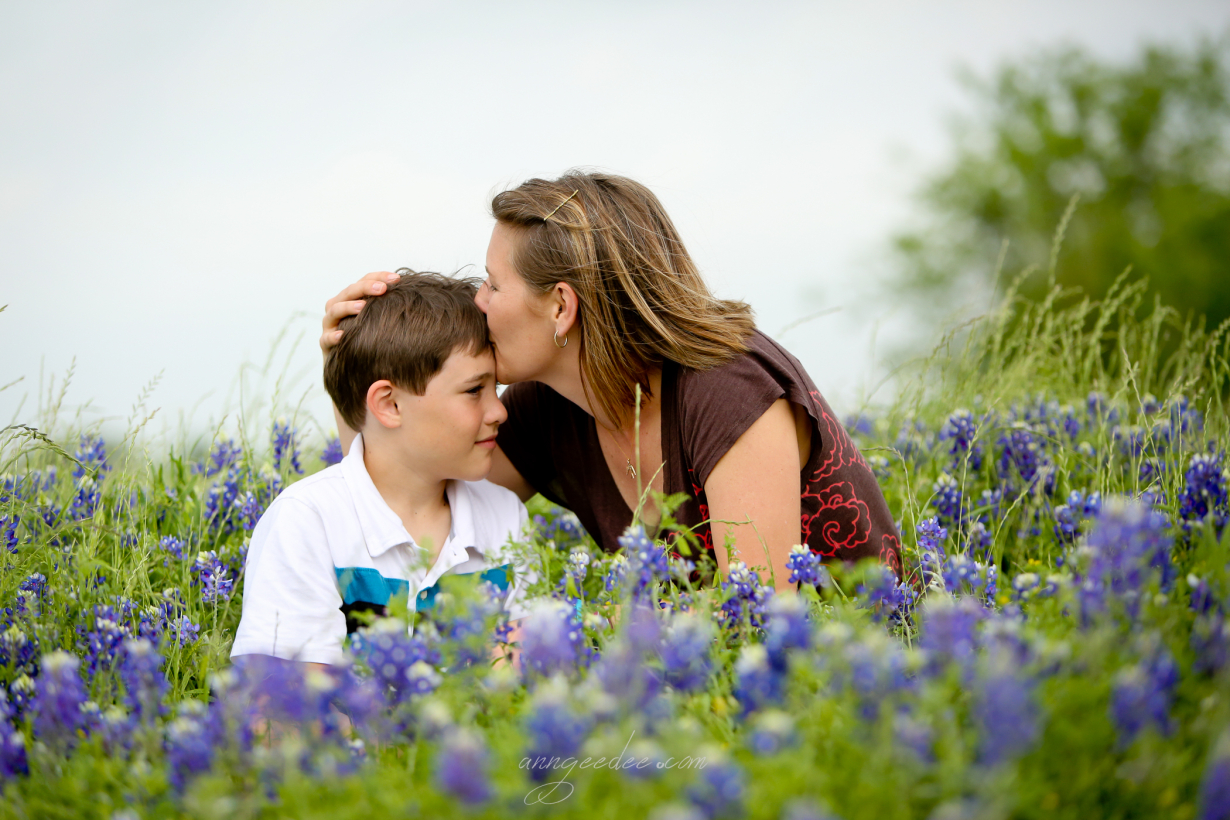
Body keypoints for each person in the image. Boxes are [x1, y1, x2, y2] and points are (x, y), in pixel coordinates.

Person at [322, 172, 901, 594]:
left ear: (560, 308)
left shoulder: (729, 389)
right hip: (698, 705)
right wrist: (356, 377)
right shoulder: (545, 410)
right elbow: (400, 493)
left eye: (493, 286)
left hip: (865, 685)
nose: (478, 304)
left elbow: (758, 621)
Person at [232, 271, 531, 667]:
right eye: (475, 390)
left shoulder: (506, 515)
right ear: (389, 405)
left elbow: (533, 674)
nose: (499, 410)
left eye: (495, 389)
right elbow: (283, 705)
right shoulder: (308, 519)